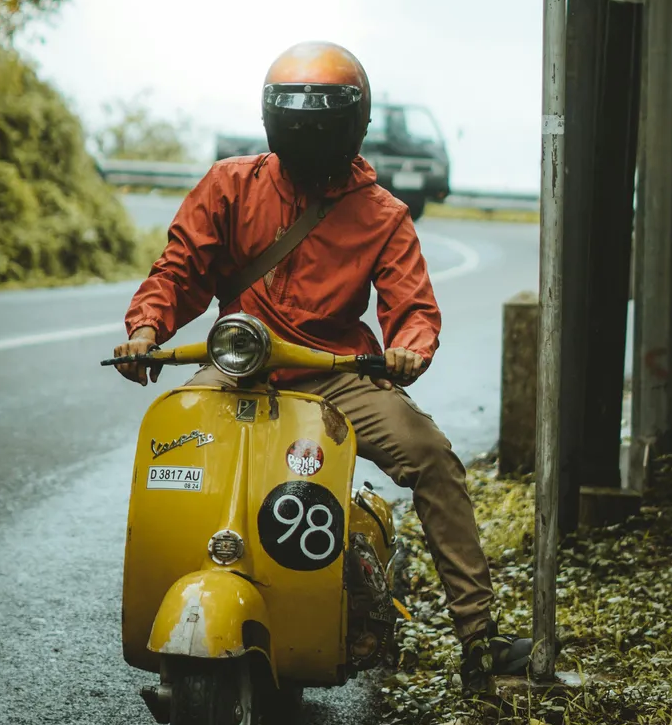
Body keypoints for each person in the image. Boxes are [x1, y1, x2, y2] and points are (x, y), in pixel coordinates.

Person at [113, 41, 530, 690]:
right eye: (297, 126)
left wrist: (409, 348)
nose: (308, 140)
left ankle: (479, 639)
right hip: (240, 364)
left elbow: (413, 308)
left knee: (431, 459)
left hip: (332, 369)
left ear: (351, 128)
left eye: (322, 128)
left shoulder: (383, 215)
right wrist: (146, 329)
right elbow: (180, 270)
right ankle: (189, 594)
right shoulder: (230, 186)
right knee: (178, 454)